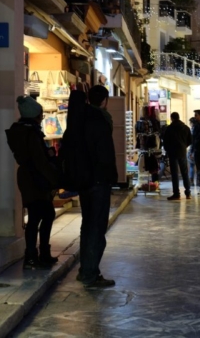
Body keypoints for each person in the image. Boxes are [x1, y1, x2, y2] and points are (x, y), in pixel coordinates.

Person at [6, 95, 61, 270]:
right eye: (41, 115)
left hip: (28, 177)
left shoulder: (21, 131)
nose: (41, 118)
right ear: (35, 115)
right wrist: (54, 179)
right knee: (42, 215)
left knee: (39, 215)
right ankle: (35, 256)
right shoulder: (31, 133)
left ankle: (35, 255)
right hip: (36, 178)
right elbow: (40, 161)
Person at [79, 85, 118, 287]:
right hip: (98, 181)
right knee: (96, 229)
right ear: (104, 100)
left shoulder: (80, 118)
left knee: (87, 226)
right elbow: (105, 155)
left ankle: (84, 269)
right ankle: (90, 274)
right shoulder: (100, 121)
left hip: (84, 181)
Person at [162, 112, 192, 200]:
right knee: (184, 173)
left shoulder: (169, 128)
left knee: (174, 174)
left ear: (172, 118)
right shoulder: (186, 128)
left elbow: (165, 141)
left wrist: (168, 150)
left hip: (173, 153)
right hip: (182, 152)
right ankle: (188, 193)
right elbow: (190, 140)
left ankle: (176, 194)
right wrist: (184, 146)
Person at [187, 117, 196, 187]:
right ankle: (199, 181)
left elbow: (192, 142)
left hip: (193, 150)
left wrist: (191, 152)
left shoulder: (192, 130)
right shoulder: (199, 129)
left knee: (192, 166)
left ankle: (191, 180)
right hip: (198, 150)